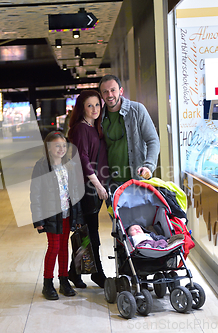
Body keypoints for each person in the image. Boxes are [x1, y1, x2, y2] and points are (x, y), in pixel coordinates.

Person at [31, 131, 84, 300]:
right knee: (53, 247)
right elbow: (36, 193)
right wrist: (38, 219)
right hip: (51, 214)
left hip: (67, 213)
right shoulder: (41, 166)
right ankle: (48, 284)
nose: (61, 149)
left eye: (63, 145)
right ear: (48, 148)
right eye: (56, 146)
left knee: (63, 248)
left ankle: (64, 281)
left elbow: (75, 191)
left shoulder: (69, 164)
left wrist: (78, 216)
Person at [67, 90, 110, 289]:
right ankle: (97, 273)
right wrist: (98, 185)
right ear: (82, 108)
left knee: (87, 231)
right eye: (89, 105)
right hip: (86, 187)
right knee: (90, 232)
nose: (94, 109)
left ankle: (74, 272)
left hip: (95, 187)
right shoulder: (80, 129)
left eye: (97, 105)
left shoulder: (95, 127)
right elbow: (82, 159)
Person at [98, 74, 160, 188]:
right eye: (105, 92)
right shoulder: (99, 117)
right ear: (101, 95)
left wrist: (149, 166)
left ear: (121, 91)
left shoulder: (137, 110)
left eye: (113, 90)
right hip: (111, 182)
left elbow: (153, 140)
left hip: (137, 179)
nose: (110, 95)